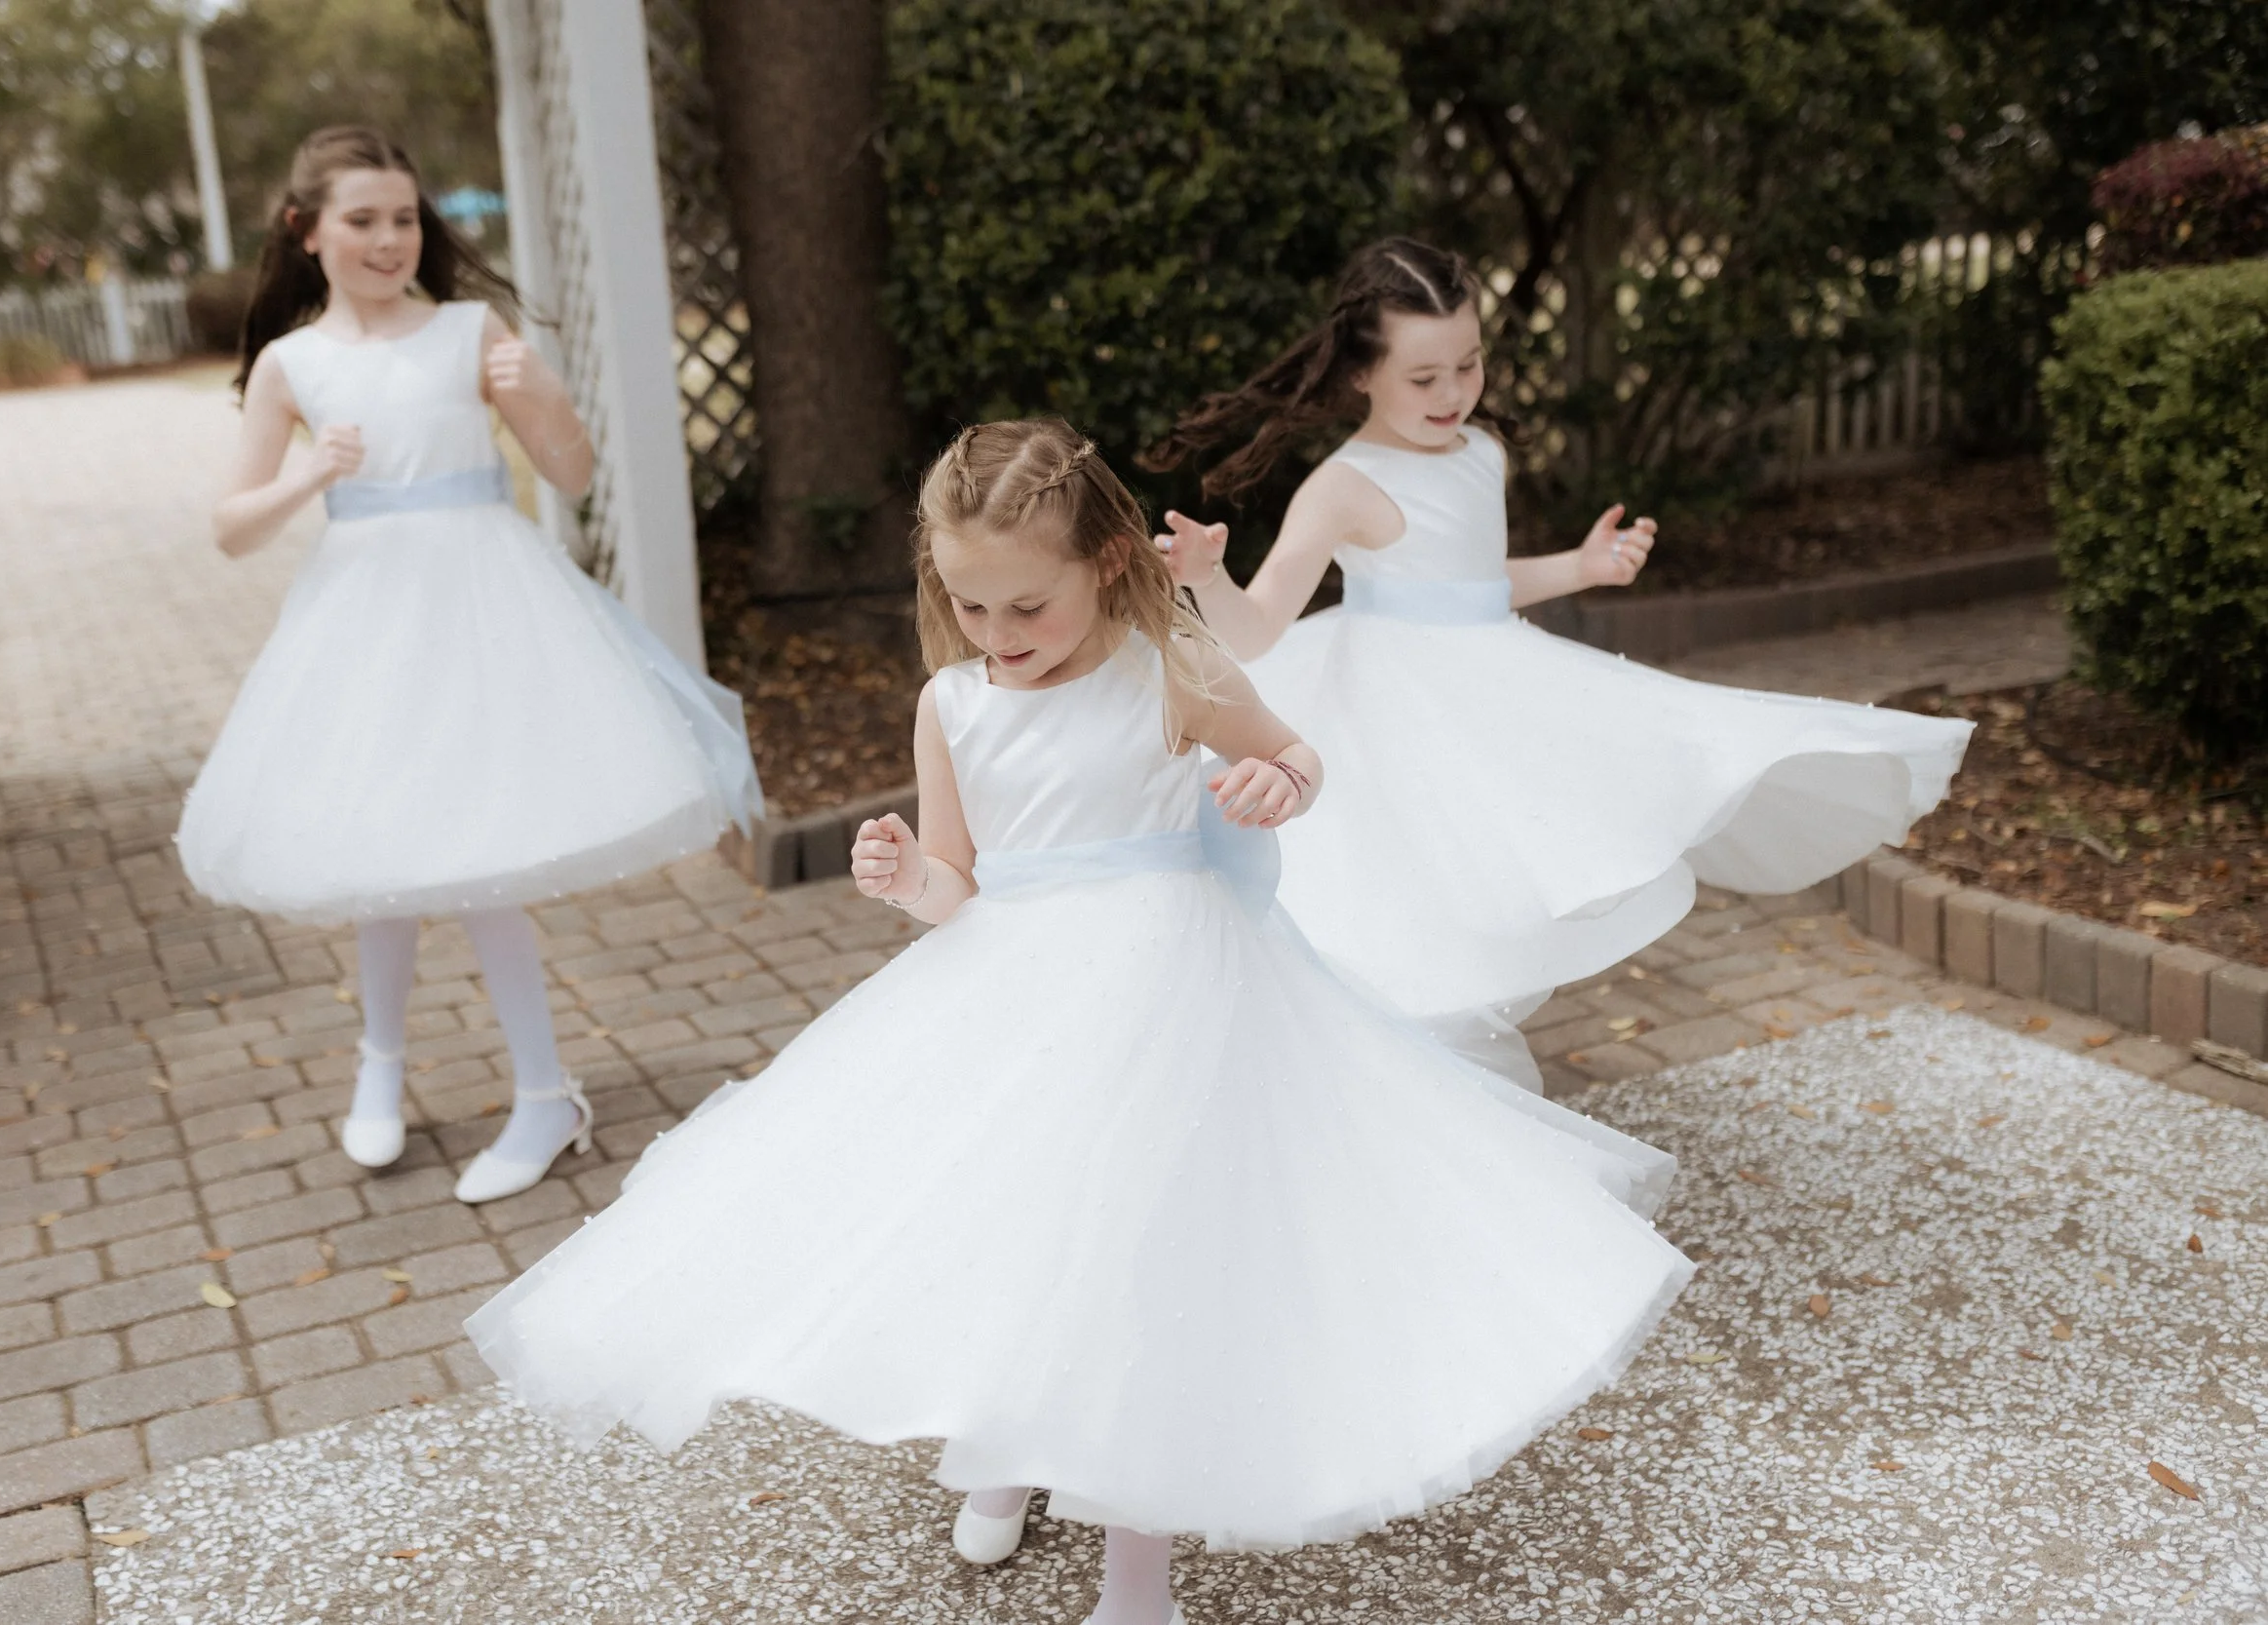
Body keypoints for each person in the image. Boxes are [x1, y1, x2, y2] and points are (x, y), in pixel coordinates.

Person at [466, 419, 1692, 1625]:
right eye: (971, 604)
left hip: (1172, 994)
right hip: (1011, 996)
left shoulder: (1169, 666)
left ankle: (1134, 1586)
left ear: (1103, 563)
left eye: (1026, 606)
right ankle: (1009, 1441)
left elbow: (1295, 754)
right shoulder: (953, 702)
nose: (998, 633)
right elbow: (960, 883)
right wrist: (908, 876)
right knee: (1017, 1225)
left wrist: (1278, 783)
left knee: (1136, 1256)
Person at [1144, 237, 1972, 1073]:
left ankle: (1447, 1075)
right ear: (1361, 373)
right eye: (1424, 378)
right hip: (1391, 714)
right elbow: (1257, 629)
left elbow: (1470, 582)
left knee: (1504, 882)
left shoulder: (1483, 452)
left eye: (1469, 365)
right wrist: (1208, 578)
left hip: (1491, 691)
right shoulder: (1343, 485)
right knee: (1402, 905)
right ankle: (1396, 1075)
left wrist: (1581, 567)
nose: (1453, 393)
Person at [176, 127, 759, 1205]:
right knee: (381, 846)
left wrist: (539, 390)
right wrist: (310, 476)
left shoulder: (466, 330)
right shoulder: (292, 364)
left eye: (404, 218)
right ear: (307, 232)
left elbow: (570, 472)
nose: (389, 239)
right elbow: (230, 528)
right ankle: (381, 1067)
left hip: (485, 610)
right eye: (362, 220)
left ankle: (543, 1094)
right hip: (363, 620)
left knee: (477, 848)